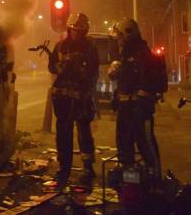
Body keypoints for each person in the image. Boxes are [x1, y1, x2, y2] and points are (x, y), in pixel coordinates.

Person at [48, 12, 99, 186]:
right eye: (74, 30)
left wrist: (80, 71)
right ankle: (64, 169)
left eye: (80, 31)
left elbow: (93, 71)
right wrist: (60, 66)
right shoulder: (61, 46)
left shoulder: (90, 48)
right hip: (62, 98)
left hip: (81, 98)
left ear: (85, 31)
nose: (76, 33)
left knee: (84, 132)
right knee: (63, 134)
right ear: (69, 29)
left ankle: (87, 167)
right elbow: (52, 66)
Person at [108, 18, 162, 179]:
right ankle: (129, 179)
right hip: (126, 108)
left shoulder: (143, 54)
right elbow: (126, 81)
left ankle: (154, 178)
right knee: (124, 142)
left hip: (139, 109)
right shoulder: (125, 54)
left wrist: (142, 98)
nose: (117, 40)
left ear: (128, 35)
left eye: (119, 36)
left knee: (145, 141)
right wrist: (117, 94)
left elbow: (148, 82)